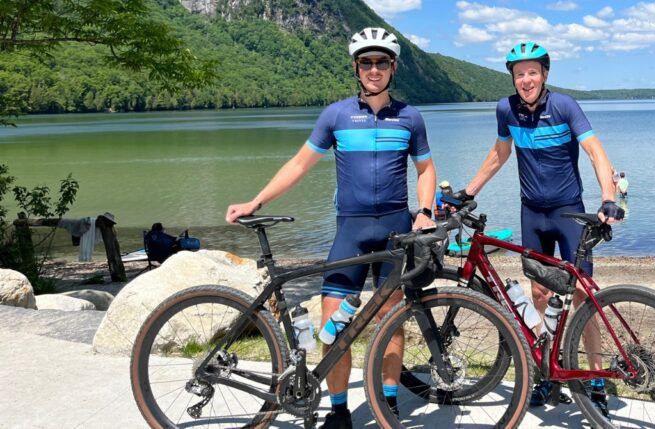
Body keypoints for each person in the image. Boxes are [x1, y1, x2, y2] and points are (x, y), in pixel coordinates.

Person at [225, 27, 436, 429]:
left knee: (391, 321)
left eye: (381, 62)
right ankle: (338, 410)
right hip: (350, 231)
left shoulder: (410, 117)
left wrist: (424, 210)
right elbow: (299, 164)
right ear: (357, 68)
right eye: (366, 62)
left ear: (393, 67)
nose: (374, 69)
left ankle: (388, 402)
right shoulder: (336, 115)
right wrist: (257, 201)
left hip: (395, 229)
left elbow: (426, 169)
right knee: (332, 326)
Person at [450, 41, 624, 417]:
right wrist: (468, 192)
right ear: (512, 79)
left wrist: (607, 196)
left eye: (532, 72)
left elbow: (594, 149)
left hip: (567, 213)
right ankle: (548, 374)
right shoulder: (506, 109)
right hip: (532, 213)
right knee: (541, 294)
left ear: (544, 74)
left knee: (581, 298)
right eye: (519, 74)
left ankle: (594, 378)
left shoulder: (564, 106)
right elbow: (500, 153)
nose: (525, 80)